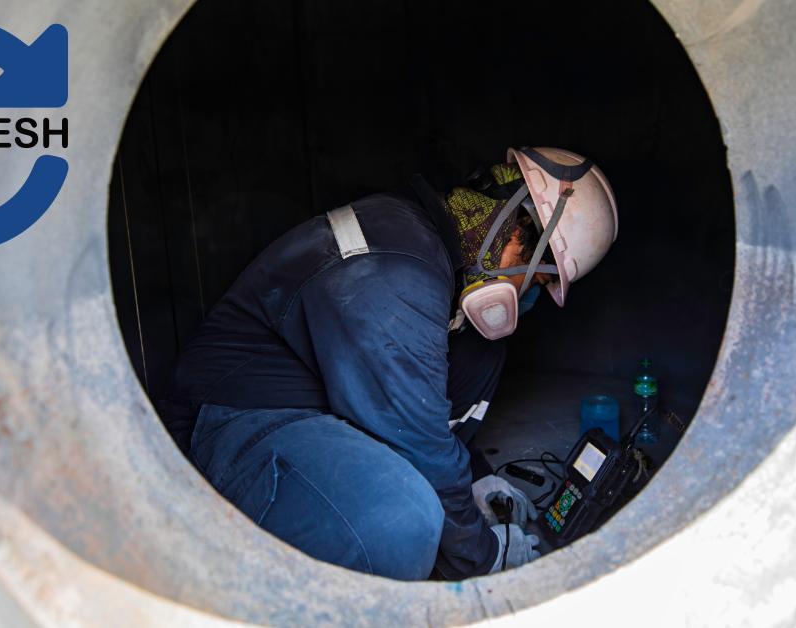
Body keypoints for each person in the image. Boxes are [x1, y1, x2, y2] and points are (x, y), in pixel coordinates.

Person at [155, 147, 618, 580]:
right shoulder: (397, 272)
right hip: (229, 421)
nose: (523, 293)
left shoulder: (425, 245)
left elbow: (427, 412)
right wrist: (483, 556)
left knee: (482, 352)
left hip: (312, 410)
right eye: (530, 274)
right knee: (401, 518)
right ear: (511, 227)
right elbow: (421, 442)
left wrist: (477, 478)